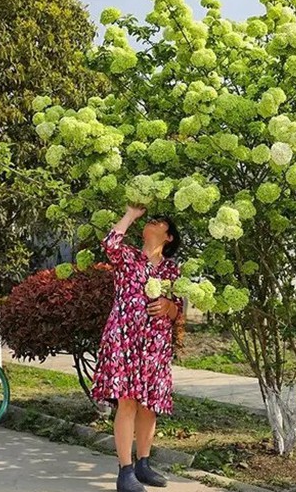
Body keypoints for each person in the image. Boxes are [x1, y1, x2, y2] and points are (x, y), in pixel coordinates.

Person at [91, 205, 182, 492]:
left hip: (155, 344)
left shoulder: (172, 269)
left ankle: (143, 464)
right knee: (127, 401)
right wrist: (130, 214)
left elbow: (179, 309)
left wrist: (169, 306)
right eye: (150, 220)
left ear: (168, 237)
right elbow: (110, 244)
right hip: (124, 338)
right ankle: (125, 471)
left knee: (149, 405)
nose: (151, 223)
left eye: (158, 222)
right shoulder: (128, 256)